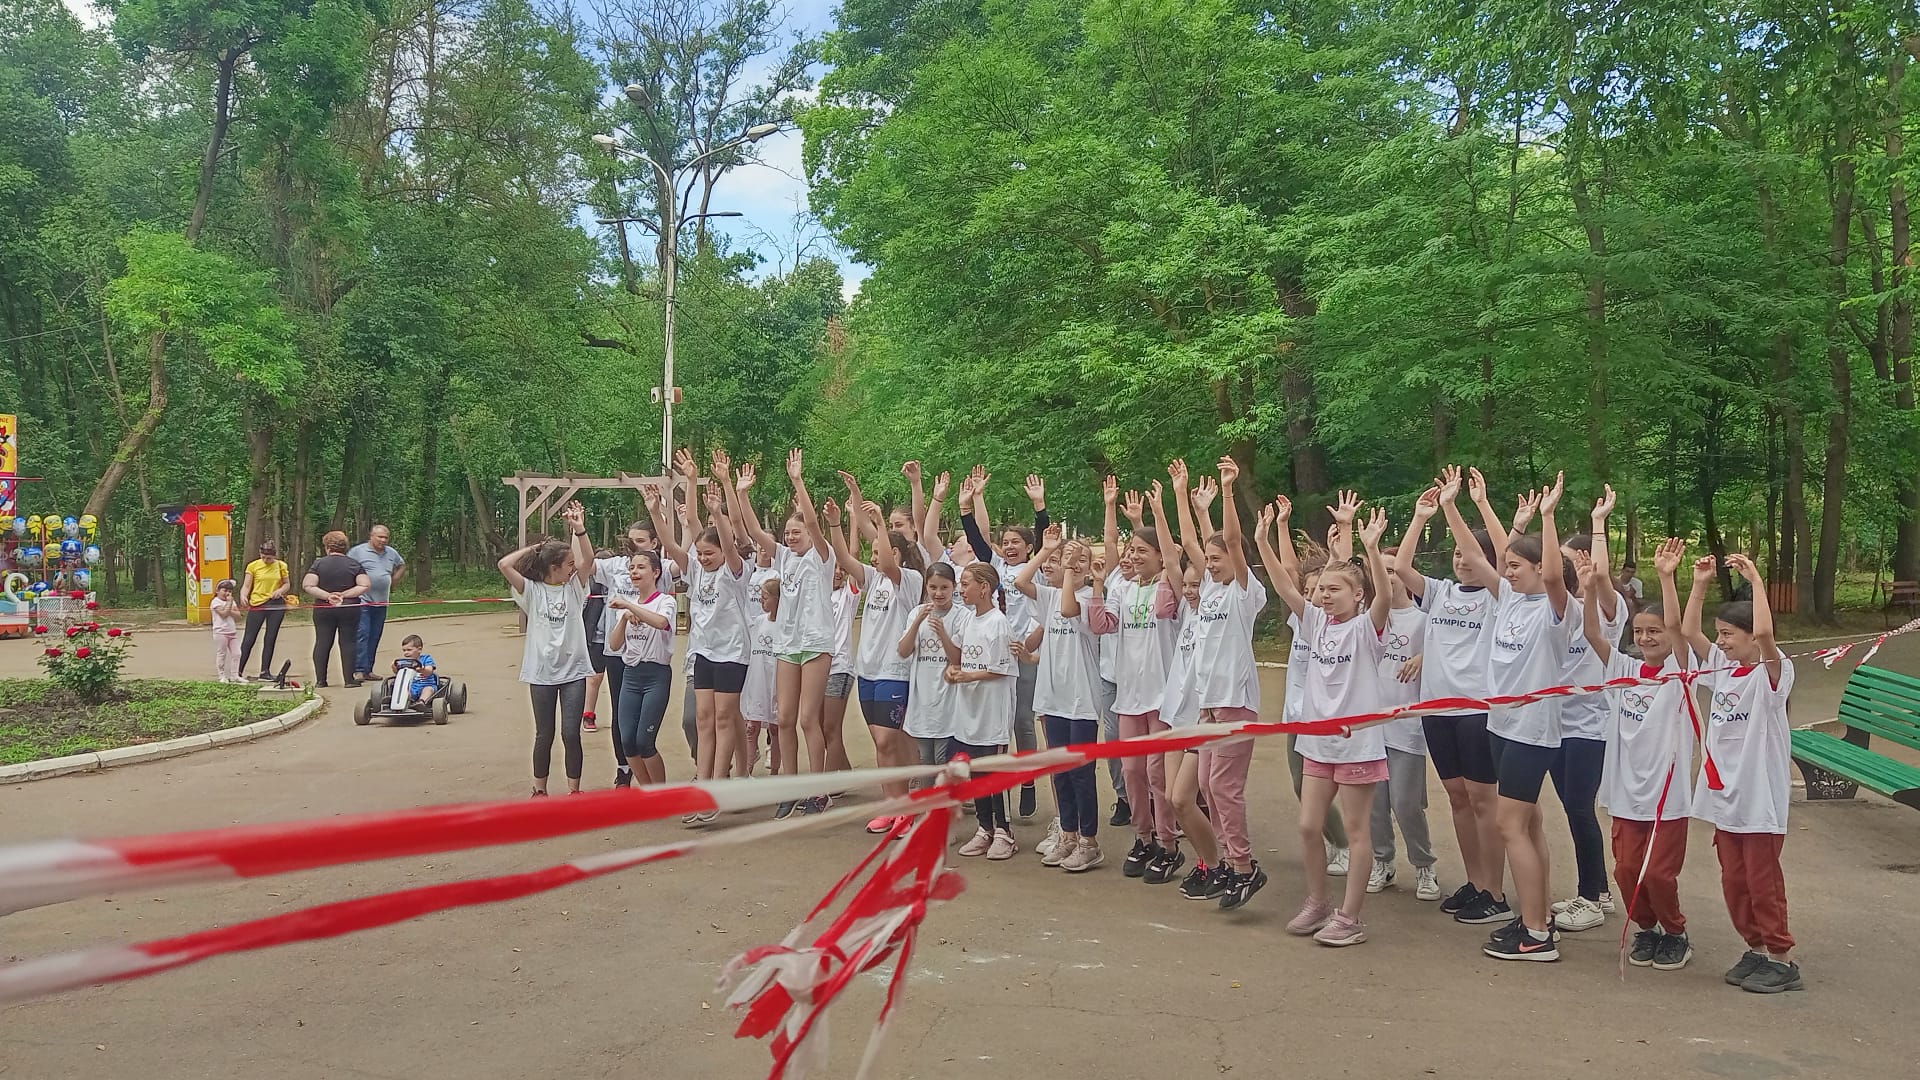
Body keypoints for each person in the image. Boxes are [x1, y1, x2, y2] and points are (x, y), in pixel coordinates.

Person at [1443, 469, 1576, 962]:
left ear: (1540, 568)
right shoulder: (1508, 601)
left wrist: (1548, 517)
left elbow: (1555, 575)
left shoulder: (1556, 610)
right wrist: (1457, 505)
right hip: (1501, 726)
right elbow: (1478, 555)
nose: (1510, 571)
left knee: (1510, 826)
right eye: (1510, 565)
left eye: (1519, 565)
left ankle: (1536, 935)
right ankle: (1536, 916)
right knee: (1530, 823)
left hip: (1531, 730)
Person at [1268, 500, 1393, 946]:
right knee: (1308, 825)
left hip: (1357, 745)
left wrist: (1370, 548)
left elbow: (1383, 596)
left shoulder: (1366, 628)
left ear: (1357, 595)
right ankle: (1318, 902)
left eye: (1334, 589)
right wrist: (1262, 539)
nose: (1324, 594)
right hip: (1316, 742)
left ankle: (1350, 917)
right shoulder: (1315, 624)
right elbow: (1284, 585)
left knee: (1357, 833)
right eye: (1321, 588)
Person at [1680, 551, 1802, 993]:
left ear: (1752, 638)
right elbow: (1688, 632)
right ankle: (1756, 948)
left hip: (1759, 799)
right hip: (1724, 798)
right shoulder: (1723, 670)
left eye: (1729, 635)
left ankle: (1782, 959)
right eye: (1721, 635)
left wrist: (1756, 582)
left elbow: (1767, 632)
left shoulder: (1773, 675)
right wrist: (1700, 583)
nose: (1722, 642)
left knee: (1761, 882)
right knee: (1733, 881)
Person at [1396, 473, 1513, 925]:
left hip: (1476, 710)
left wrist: (1454, 507)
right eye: (1458, 554)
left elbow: (1498, 554)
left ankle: (1496, 893)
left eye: (1472, 554)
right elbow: (1402, 569)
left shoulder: (1501, 598)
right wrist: (1420, 517)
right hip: (1436, 709)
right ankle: (1476, 881)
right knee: (1458, 798)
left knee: (1484, 801)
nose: (1464, 560)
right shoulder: (1441, 592)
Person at [1581, 538, 1693, 971]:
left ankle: (1676, 932)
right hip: (1626, 793)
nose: (1646, 638)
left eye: (1654, 631)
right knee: (1626, 870)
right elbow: (1593, 634)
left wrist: (1666, 578)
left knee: (1659, 873)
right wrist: (1589, 589)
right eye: (1640, 632)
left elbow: (1680, 630)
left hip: (1666, 796)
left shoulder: (1681, 672)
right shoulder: (1624, 670)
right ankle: (1647, 928)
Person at [1169, 457, 1268, 910]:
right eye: (1207, 561)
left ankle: (1244, 867)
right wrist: (1185, 496)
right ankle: (1230, 861)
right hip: (1209, 706)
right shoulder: (1209, 589)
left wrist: (1228, 491)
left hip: (1235, 703)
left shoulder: (1245, 592)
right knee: (1208, 788)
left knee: (1225, 789)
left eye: (1217, 559)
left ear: (1236, 559)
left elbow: (1228, 539)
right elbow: (1193, 541)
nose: (1209, 565)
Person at [734, 450, 838, 818]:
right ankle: (790, 788)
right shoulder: (784, 557)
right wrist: (742, 494)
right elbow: (754, 533)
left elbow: (813, 522)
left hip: (816, 643)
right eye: (788, 533)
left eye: (797, 532)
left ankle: (818, 789)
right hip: (787, 644)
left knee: (809, 718)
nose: (791, 537)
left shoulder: (821, 557)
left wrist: (798, 480)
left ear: (809, 533)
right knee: (784, 718)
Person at [830, 470, 926, 836]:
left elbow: (887, 561)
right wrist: (838, 523)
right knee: (880, 745)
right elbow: (844, 557)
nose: (874, 559)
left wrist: (882, 524)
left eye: (880, 550)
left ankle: (906, 809)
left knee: (890, 741)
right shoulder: (873, 579)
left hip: (894, 672)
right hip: (868, 672)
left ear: (897, 552)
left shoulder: (909, 580)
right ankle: (892, 807)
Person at [1548, 489, 1627, 933]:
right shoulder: (1559, 610)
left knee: (1580, 807)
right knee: (1574, 810)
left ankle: (1591, 899)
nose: (1561, 567)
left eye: (1568, 560)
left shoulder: (1608, 612)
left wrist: (1599, 525)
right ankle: (1598, 890)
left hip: (1590, 726)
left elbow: (1602, 580)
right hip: (1556, 724)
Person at [958, 466, 1051, 819]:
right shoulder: (996, 567)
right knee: (998, 724)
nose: (1011, 547)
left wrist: (1040, 508)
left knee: (1023, 722)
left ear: (1029, 548)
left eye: (1017, 543)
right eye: (1007, 542)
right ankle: (997, 788)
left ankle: (1027, 782)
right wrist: (967, 507)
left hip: (1023, 652)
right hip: (996, 653)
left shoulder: (1036, 570)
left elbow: (1044, 539)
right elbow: (978, 541)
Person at [1018, 526, 1110, 872]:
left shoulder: (1088, 598)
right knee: (1060, 772)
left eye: (1081, 559)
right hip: (1053, 697)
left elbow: (1070, 609)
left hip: (1080, 700)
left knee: (1081, 773)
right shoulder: (1050, 596)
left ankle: (1089, 842)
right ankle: (1068, 835)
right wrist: (1046, 550)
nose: (1073, 563)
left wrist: (1069, 570)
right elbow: (1020, 582)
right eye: (1068, 558)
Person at [1111, 484, 1183, 882]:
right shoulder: (1122, 588)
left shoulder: (1170, 587)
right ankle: (1144, 838)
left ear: (1159, 556)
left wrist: (1156, 514)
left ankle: (1169, 843)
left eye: (1143, 551)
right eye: (1132, 550)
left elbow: (1171, 567)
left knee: (1158, 773)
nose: (1135, 556)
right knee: (1132, 771)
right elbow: (1104, 623)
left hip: (1162, 697)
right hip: (1129, 696)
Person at [498, 502, 595, 796]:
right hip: (541, 673)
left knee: (570, 733)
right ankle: (539, 790)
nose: (573, 568)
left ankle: (574, 790)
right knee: (545, 734)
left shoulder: (574, 588)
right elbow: (504, 565)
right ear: (554, 568)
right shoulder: (531, 590)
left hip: (574, 672)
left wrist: (579, 530)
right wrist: (536, 548)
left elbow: (588, 559)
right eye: (568, 564)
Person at [674, 449, 752, 787]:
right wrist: (691, 481)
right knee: (703, 720)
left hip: (731, 652)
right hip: (704, 652)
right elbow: (690, 525)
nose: (704, 558)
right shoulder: (695, 568)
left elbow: (730, 546)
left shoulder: (734, 571)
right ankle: (703, 783)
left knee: (723, 718)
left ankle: (720, 783)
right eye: (701, 553)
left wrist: (719, 512)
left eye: (710, 553)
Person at [1367, 551, 1440, 902]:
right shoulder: (1368, 618)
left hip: (1407, 728)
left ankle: (1424, 865)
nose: (1387, 576)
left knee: (1406, 803)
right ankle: (1383, 861)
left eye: (1393, 570)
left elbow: (1451, 652)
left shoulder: (1424, 620)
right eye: (1380, 570)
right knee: (1373, 805)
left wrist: (1426, 657)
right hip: (1370, 727)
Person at [940, 562, 1019, 859]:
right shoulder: (968, 621)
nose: (961, 589)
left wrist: (969, 676)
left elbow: (1001, 669)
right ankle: (984, 828)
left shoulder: (998, 623)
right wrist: (953, 672)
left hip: (992, 712)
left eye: (966, 583)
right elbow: (959, 658)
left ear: (984, 588)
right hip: (969, 712)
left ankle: (1004, 832)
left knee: (994, 772)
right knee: (975, 772)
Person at [608, 550, 677, 789]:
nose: (634, 572)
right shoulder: (628, 609)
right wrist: (624, 617)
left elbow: (661, 622)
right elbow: (614, 645)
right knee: (627, 740)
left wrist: (630, 606)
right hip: (631, 676)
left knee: (645, 740)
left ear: (656, 572)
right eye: (631, 568)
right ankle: (648, 792)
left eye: (641, 567)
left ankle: (660, 793)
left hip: (656, 675)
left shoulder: (665, 601)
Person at [901, 563, 960, 784]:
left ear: (954, 587)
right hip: (923, 700)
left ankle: (946, 801)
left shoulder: (962, 616)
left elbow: (957, 659)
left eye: (944, 587)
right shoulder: (917, 613)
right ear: (926, 587)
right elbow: (904, 651)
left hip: (949, 701)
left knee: (943, 759)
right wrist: (917, 621)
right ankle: (928, 802)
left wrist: (942, 633)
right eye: (933, 587)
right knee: (925, 759)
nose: (938, 593)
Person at [303, 531, 371, 688]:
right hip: (349, 607)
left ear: (327, 547)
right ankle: (349, 680)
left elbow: (308, 585)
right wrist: (344, 595)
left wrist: (328, 596)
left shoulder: (318, 564)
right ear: (345, 547)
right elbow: (365, 585)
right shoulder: (354, 564)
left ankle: (321, 680)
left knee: (322, 641)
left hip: (324, 608)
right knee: (348, 642)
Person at [347, 524, 406, 683]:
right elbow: (347, 567)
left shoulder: (391, 552)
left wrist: (395, 579)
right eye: (380, 537)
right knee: (363, 634)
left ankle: (368, 670)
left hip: (381, 602)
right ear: (371, 536)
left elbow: (401, 565)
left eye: (386, 537)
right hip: (362, 601)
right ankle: (358, 670)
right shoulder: (358, 551)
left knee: (375, 636)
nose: (383, 540)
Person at [238, 539, 291, 680]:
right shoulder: (253, 566)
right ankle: (238, 670)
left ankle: (265, 671)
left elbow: (287, 584)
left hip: (275, 603)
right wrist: (243, 595)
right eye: (263, 557)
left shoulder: (281, 566)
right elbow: (247, 585)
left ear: (274, 556)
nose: (266, 560)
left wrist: (280, 591)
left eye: (269, 558)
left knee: (270, 637)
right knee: (249, 638)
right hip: (258, 603)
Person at [388, 634, 440, 708]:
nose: (406, 653)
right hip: (411, 687)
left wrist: (422, 670)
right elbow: (398, 673)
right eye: (404, 650)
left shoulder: (426, 658)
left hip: (425, 685)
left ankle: (421, 702)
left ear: (419, 650)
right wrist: (394, 667)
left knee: (428, 690)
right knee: (401, 689)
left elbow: (429, 671)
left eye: (409, 650)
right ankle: (398, 701)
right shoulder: (403, 662)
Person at [210, 579, 241, 683]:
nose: (227, 593)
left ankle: (235, 675)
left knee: (237, 653)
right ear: (217, 591)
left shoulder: (232, 602)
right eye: (225, 590)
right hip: (220, 632)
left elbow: (238, 616)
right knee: (222, 653)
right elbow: (223, 614)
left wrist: (229, 607)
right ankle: (221, 675)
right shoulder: (215, 602)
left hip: (232, 631)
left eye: (230, 591)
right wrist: (229, 604)